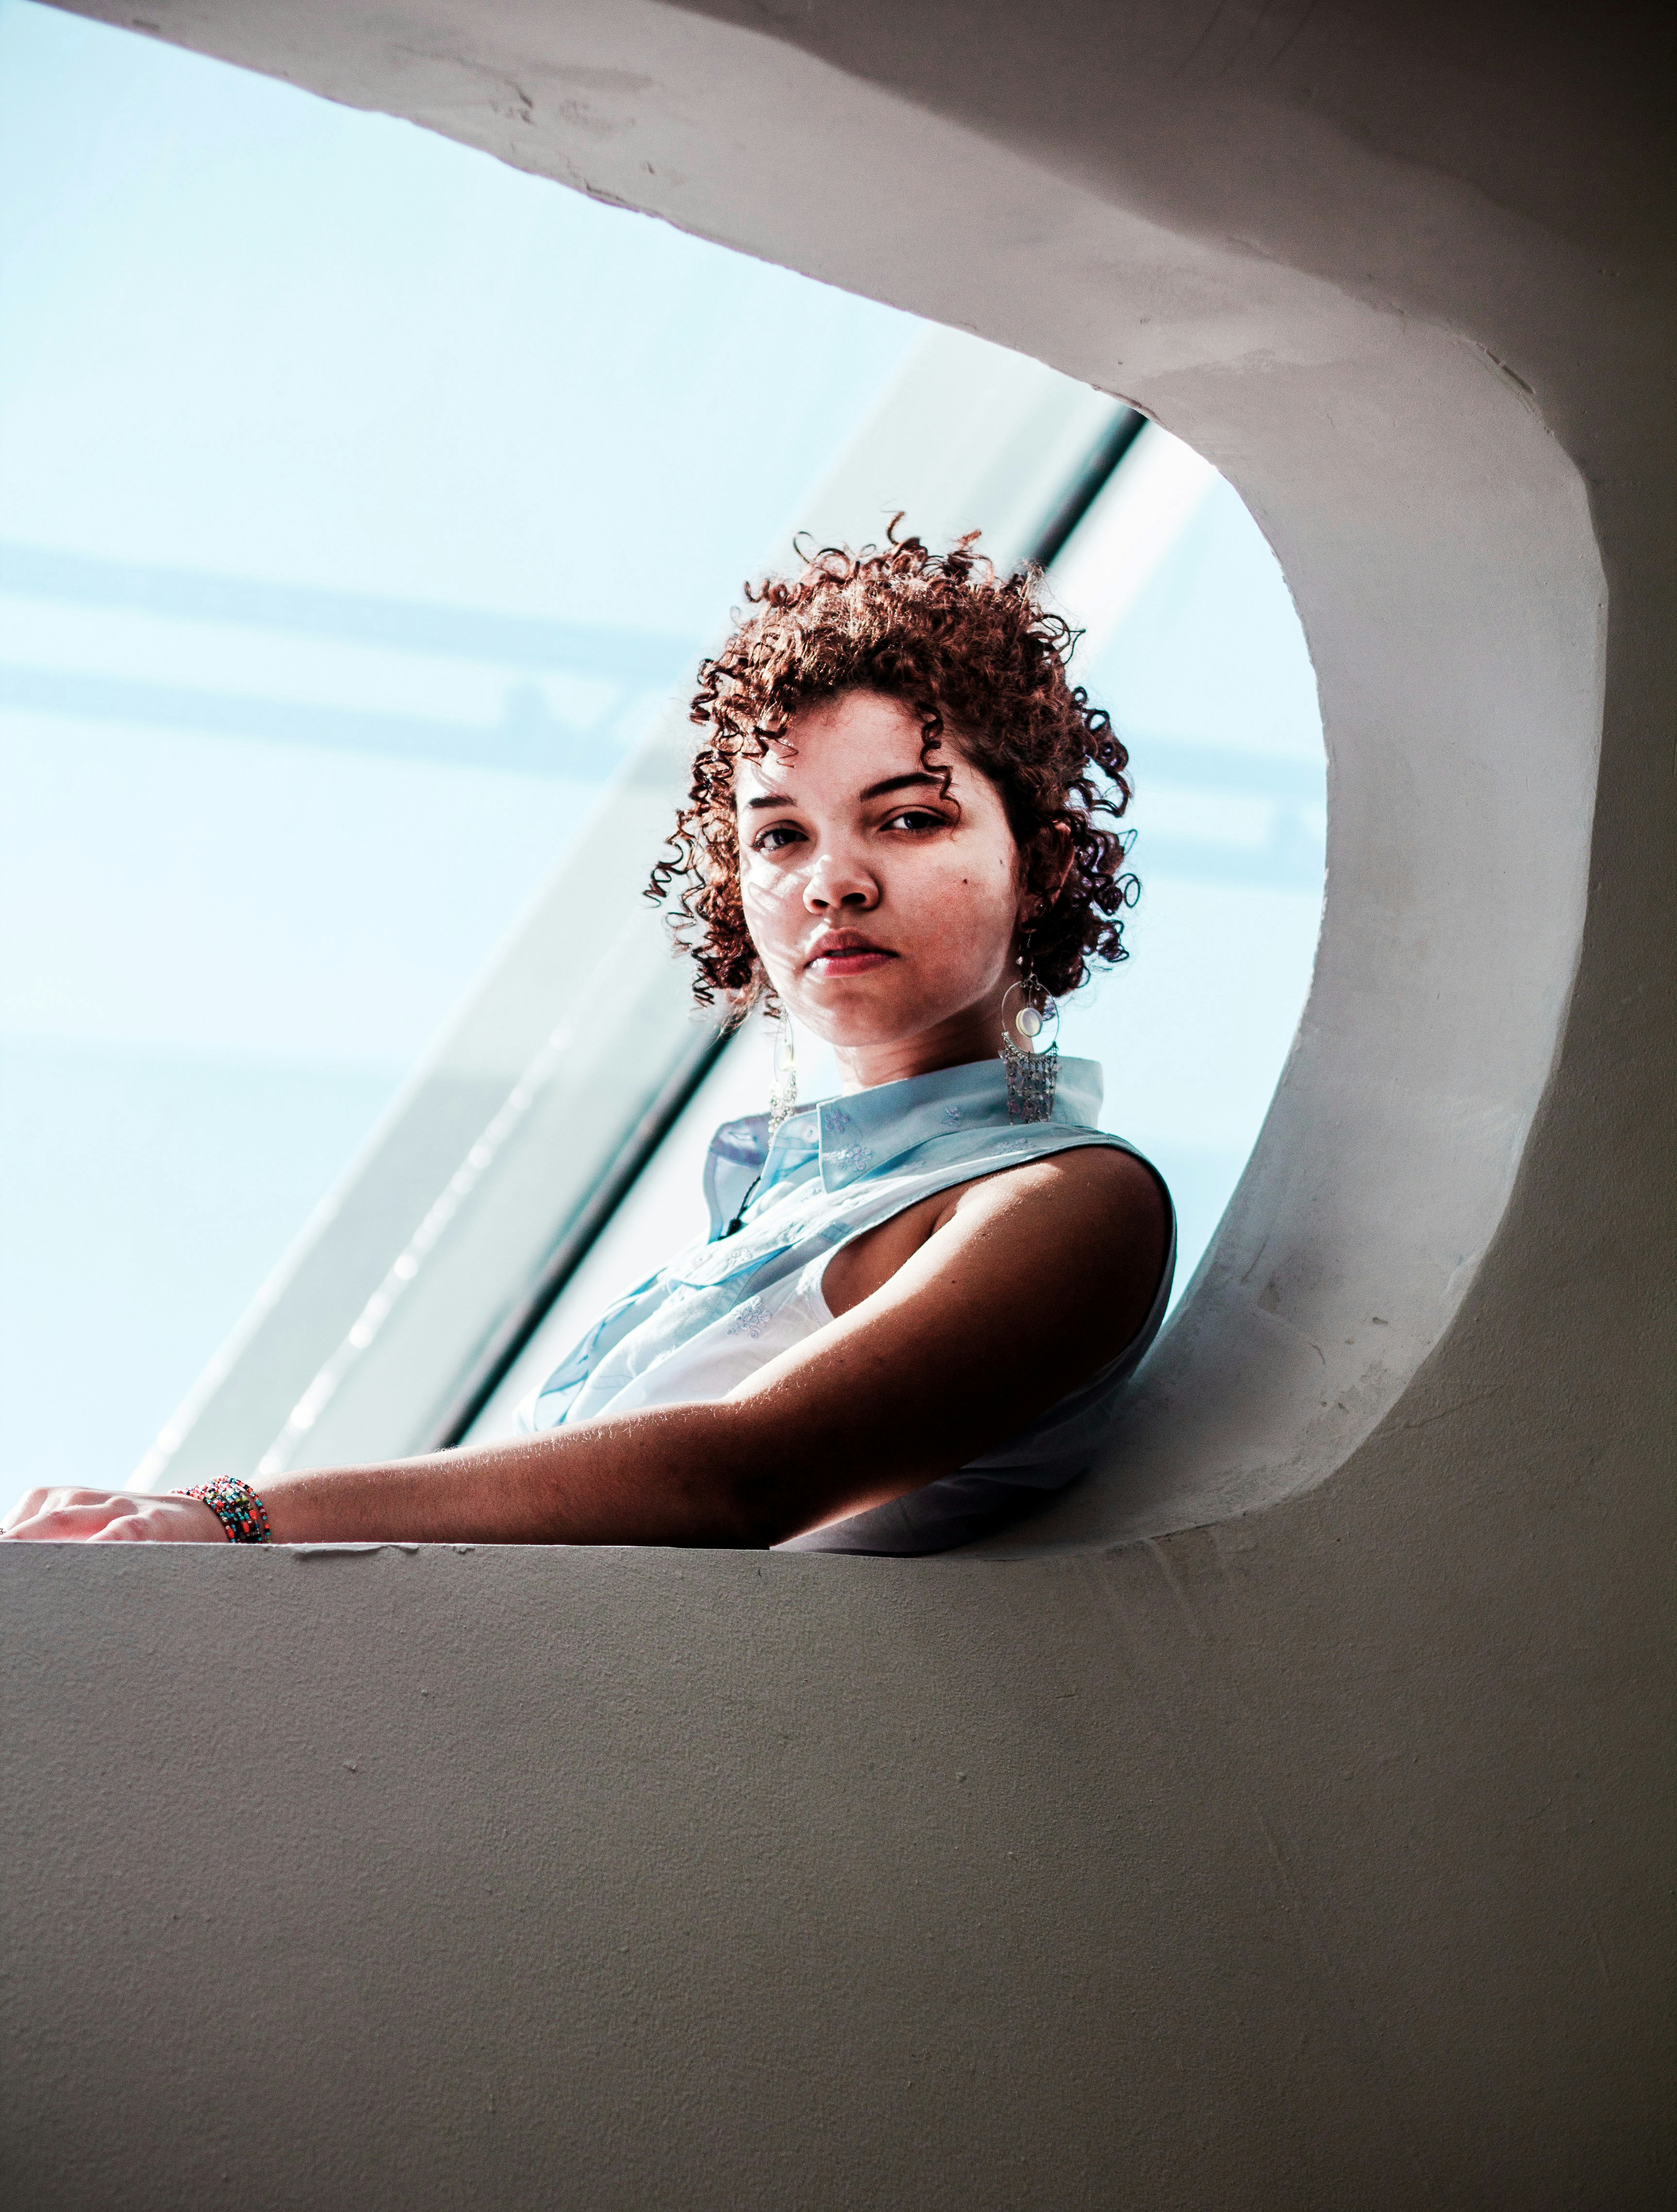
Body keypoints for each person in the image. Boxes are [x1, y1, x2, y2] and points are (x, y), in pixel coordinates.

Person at [2, 533, 1173, 1555]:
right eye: (778, 837)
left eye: (909, 819)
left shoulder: (1073, 1202)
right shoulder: (763, 1220)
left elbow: (740, 1478)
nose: (833, 884)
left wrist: (234, 1515)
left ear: (1049, 864)